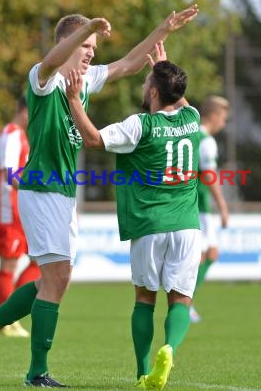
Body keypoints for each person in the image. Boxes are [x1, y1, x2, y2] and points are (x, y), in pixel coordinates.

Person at [0, 6, 199, 388]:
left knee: (51, 281)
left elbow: (132, 63)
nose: (90, 52)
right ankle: (36, 372)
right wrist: (85, 27)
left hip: (63, 193)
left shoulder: (86, 80)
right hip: (42, 190)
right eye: (85, 45)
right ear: (67, 43)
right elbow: (52, 59)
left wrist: (164, 28)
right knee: (56, 277)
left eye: (93, 46)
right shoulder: (44, 80)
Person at [65, 53, 201, 390]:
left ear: (154, 92)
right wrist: (164, 68)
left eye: (147, 82)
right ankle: (169, 348)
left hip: (150, 224)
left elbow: (93, 139)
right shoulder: (193, 117)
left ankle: (143, 374)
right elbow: (178, 96)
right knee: (181, 299)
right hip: (187, 225)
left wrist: (73, 100)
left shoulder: (140, 125)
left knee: (144, 299)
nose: (143, 85)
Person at [0, 96, 41, 338]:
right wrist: (33, 193)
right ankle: (4, 322)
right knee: (8, 265)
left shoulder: (20, 136)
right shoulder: (10, 134)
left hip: (21, 208)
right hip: (9, 208)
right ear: (24, 111)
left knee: (39, 260)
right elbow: (9, 173)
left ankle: (11, 315)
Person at [189, 95, 230, 323]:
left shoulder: (189, 133)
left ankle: (185, 300)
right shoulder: (206, 140)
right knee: (207, 254)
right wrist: (223, 208)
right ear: (213, 115)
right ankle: (185, 302)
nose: (223, 123)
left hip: (190, 203)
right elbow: (210, 176)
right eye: (223, 117)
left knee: (207, 254)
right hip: (200, 206)